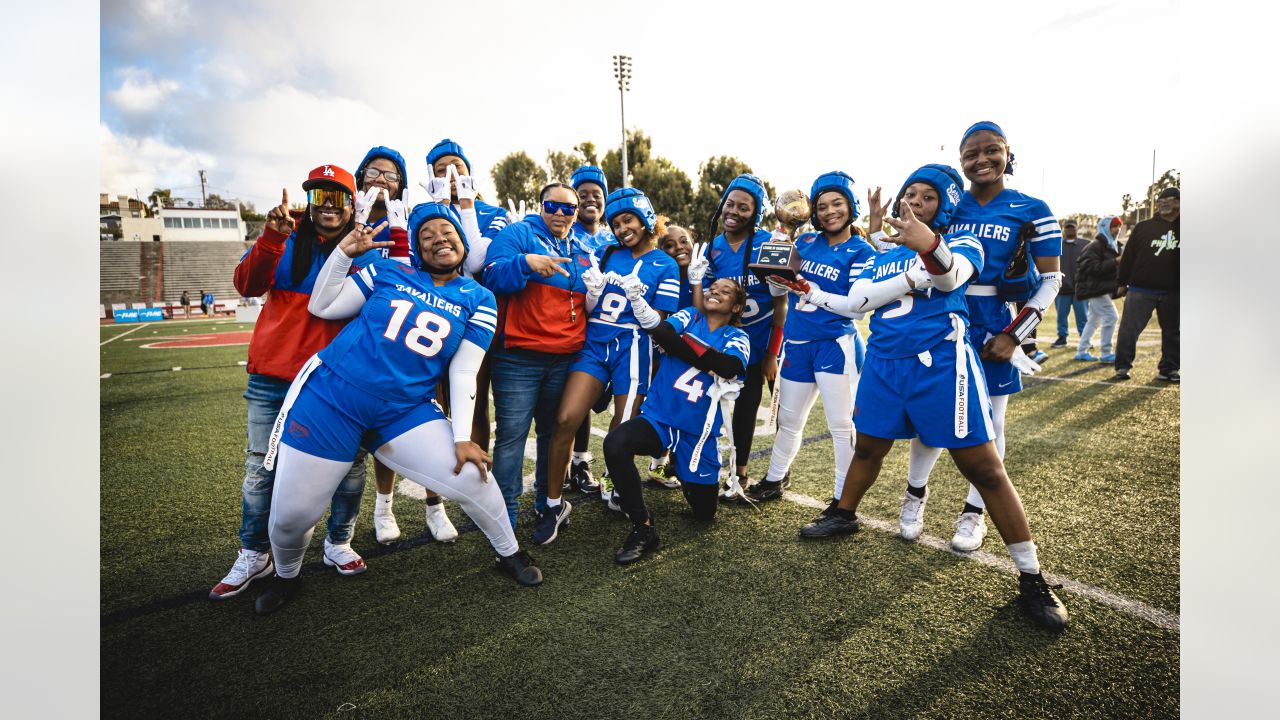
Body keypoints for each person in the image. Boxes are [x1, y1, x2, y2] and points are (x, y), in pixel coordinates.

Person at [792, 176, 1069, 632]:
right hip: (883, 363)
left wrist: (928, 249)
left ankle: (1032, 576)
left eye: (929, 197)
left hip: (940, 364)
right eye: (912, 195)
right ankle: (843, 513)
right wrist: (805, 287)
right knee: (868, 449)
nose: (917, 203)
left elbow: (949, 275)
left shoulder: (964, 240)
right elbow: (854, 304)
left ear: (945, 206)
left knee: (983, 468)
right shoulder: (882, 253)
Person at [252, 201, 543, 614]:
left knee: (474, 479)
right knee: (291, 516)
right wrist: (343, 255)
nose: (439, 240)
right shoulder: (388, 270)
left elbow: (464, 372)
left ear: (461, 240)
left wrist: (461, 438)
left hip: (404, 409)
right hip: (333, 396)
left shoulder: (479, 298)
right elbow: (322, 306)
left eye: (447, 233)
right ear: (417, 249)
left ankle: (509, 552)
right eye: (427, 236)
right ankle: (286, 575)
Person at [210, 165, 372, 602]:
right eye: (320, 196)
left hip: (333, 382)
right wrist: (271, 238)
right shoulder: (284, 237)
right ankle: (254, 551)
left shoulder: (364, 249)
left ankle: (339, 542)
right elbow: (245, 283)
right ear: (310, 201)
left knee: (350, 469)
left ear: (352, 204)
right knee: (261, 469)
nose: (329, 206)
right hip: (274, 377)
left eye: (338, 197)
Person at [902, 121, 1061, 553]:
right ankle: (915, 495)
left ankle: (974, 512)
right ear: (961, 162)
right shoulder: (950, 205)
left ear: (1009, 153)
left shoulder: (1033, 208)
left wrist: (1015, 334)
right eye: (971, 154)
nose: (982, 160)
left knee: (991, 421)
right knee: (930, 417)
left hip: (995, 319)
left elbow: (1052, 280)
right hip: (941, 313)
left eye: (992, 151)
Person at [532, 188, 681, 545]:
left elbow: (659, 324)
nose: (621, 228)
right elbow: (587, 303)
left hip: (633, 345)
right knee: (566, 419)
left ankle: (618, 485)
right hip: (595, 342)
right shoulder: (607, 252)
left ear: (645, 218)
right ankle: (554, 504)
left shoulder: (666, 264)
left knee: (622, 429)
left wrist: (637, 300)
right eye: (615, 223)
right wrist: (595, 293)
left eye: (627, 219)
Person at [351, 145, 461, 547]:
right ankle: (383, 507)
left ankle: (435, 507)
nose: (382, 180)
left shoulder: (410, 226)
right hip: (361, 345)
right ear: (360, 177)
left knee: (432, 424)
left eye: (391, 175)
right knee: (379, 433)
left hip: (411, 344)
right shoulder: (348, 222)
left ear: (401, 186)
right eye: (374, 173)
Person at [603, 278, 750, 564]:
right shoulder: (690, 314)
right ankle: (643, 527)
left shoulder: (737, 336)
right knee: (616, 443)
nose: (715, 291)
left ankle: (683, 470)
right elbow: (663, 333)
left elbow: (729, 366)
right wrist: (704, 356)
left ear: (736, 306)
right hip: (660, 418)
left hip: (698, 434)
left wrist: (682, 345)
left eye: (726, 291)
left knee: (704, 514)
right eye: (713, 287)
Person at [751, 171, 875, 504]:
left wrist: (812, 291)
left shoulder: (861, 252)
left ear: (851, 206)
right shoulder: (804, 242)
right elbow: (777, 287)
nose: (830, 211)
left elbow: (857, 310)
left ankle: (841, 500)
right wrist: (778, 252)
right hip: (798, 342)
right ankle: (775, 479)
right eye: (822, 206)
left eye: (837, 203)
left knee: (840, 426)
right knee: (789, 420)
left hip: (835, 346)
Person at [482, 182, 593, 530]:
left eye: (568, 208)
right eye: (553, 205)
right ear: (540, 205)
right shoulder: (518, 234)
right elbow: (491, 277)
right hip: (519, 358)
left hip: (565, 357)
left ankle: (548, 502)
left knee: (553, 434)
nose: (560, 213)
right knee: (513, 436)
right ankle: (506, 515)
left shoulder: (585, 246)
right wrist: (525, 263)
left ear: (576, 213)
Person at [688, 173, 787, 498]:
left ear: (755, 213)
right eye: (730, 203)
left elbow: (781, 302)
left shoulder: (766, 244)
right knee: (741, 408)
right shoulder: (714, 247)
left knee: (781, 411)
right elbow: (709, 303)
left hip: (768, 340)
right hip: (735, 343)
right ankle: (736, 473)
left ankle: (774, 471)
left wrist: (772, 353)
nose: (734, 211)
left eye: (744, 207)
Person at [425, 138, 511, 457]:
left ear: (470, 173)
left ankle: (475, 480)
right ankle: (437, 491)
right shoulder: (422, 214)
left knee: (473, 405)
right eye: (440, 170)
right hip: (431, 314)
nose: (448, 174)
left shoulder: (495, 213)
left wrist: (464, 205)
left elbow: (477, 262)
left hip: (475, 318)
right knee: (433, 405)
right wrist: (436, 209)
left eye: (456, 167)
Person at [564, 165, 616, 495]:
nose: (590, 199)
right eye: (582, 195)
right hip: (573, 325)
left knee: (606, 398)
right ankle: (579, 462)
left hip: (608, 328)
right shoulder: (565, 235)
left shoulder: (614, 237)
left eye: (596, 194)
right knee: (577, 401)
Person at [644, 221, 699, 488]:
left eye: (683, 241)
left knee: (685, 407)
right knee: (659, 406)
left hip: (691, 355)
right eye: (669, 244)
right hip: (660, 353)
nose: (678, 247)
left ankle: (669, 465)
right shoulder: (659, 275)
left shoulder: (702, 275)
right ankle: (656, 463)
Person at [1114, 187, 1180, 382]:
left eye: (1169, 199)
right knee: (1129, 329)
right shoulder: (1143, 227)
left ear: (1179, 202)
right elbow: (1128, 257)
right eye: (1161, 200)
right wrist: (1122, 282)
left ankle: (1169, 369)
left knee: (1173, 332)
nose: (1164, 202)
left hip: (1174, 290)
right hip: (1141, 289)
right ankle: (1122, 367)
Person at [1073, 216, 1124, 362]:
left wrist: (1120, 286)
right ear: (1106, 227)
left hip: (1102, 289)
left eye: (1119, 227)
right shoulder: (1095, 245)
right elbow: (1090, 268)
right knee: (1111, 316)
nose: (1117, 230)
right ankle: (1106, 353)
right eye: (1114, 226)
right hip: (1095, 289)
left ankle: (1082, 351)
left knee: (1093, 321)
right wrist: (1115, 261)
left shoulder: (1114, 245)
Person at [1050, 219, 1089, 347]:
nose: (1070, 230)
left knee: (1083, 316)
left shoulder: (1085, 244)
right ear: (1063, 229)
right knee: (1061, 316)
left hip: (1080, 288)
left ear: (1077, 229)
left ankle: (1085, 339)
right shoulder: (1056, 244)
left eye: (1072, 227)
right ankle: (1062, 337)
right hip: (1062, 288)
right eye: (1067, 228)